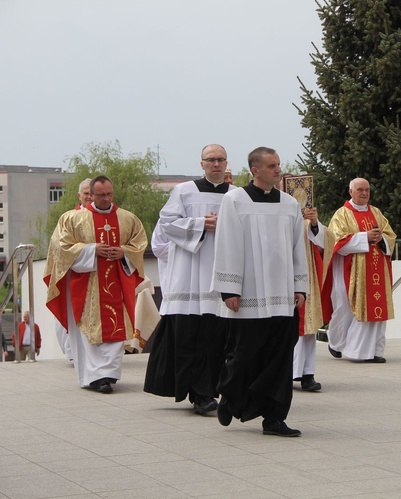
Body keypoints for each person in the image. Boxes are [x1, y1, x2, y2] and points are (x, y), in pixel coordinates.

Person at [211, 146, 308, 436]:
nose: (278, 170)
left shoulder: (290, 204)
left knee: (280, 359)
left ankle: (274, 418)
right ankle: (230, 394)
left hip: (282, 296)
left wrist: (300, 286)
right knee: (245, 355)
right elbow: (227, 243)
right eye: (272, 166)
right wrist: (229, 289)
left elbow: (296, 248)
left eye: (278, 165)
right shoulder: (235, 200)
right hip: (249, 293)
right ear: (255, 170)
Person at [144, 144, 236, 415]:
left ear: (226, 163)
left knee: (217, 337)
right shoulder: (184, 191)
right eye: (211, 160)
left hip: (222, 273)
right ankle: (198, 393)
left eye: (220, 160)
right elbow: (166, 224)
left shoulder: (237, 195)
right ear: (202, 163)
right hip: (192, 274)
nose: (216, 164)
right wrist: (199, 224)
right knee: (190, 336)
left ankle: (212, 389)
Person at [44, 175, 147, 393]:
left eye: (109, 194)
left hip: (116, 284)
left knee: (115, 328)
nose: (106, 198)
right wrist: (91, 250)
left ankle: (109, 374)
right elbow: (60, 248)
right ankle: (94, 377)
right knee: (88, 331)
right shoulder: (72, 219)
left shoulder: (127, 219)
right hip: (87, 286)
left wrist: (123, 252)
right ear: (91, 194)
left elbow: (138, 246)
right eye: (101, 195)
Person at [325, 178, 396, 363]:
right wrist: (365, 237)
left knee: (376, 308)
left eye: (367, 190)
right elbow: (336, 242)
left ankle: (371, 351)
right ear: (351, 192)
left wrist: (381, 239)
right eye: (360, 190)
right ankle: (337, 343)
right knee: (345, 309)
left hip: (376, 270)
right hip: (349, 271)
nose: (364, 193)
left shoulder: (376, 212)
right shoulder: (342, 214)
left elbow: (390, 235)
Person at [52, 178, 94, 361]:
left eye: (93, 192)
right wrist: (88, 252)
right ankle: (73, 353)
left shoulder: (109, 218)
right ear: (79, 195)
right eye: (86, 193)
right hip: (74, 274)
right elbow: (58, 247)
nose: (90, 196)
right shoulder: (68, 218)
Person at [293, 207, 330, 392]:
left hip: (307, 277)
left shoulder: (307, 219)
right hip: (282, 276)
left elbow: (325, 243)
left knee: (308, 328)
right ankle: (288, 373)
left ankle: (307, 374)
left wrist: (315, 223)